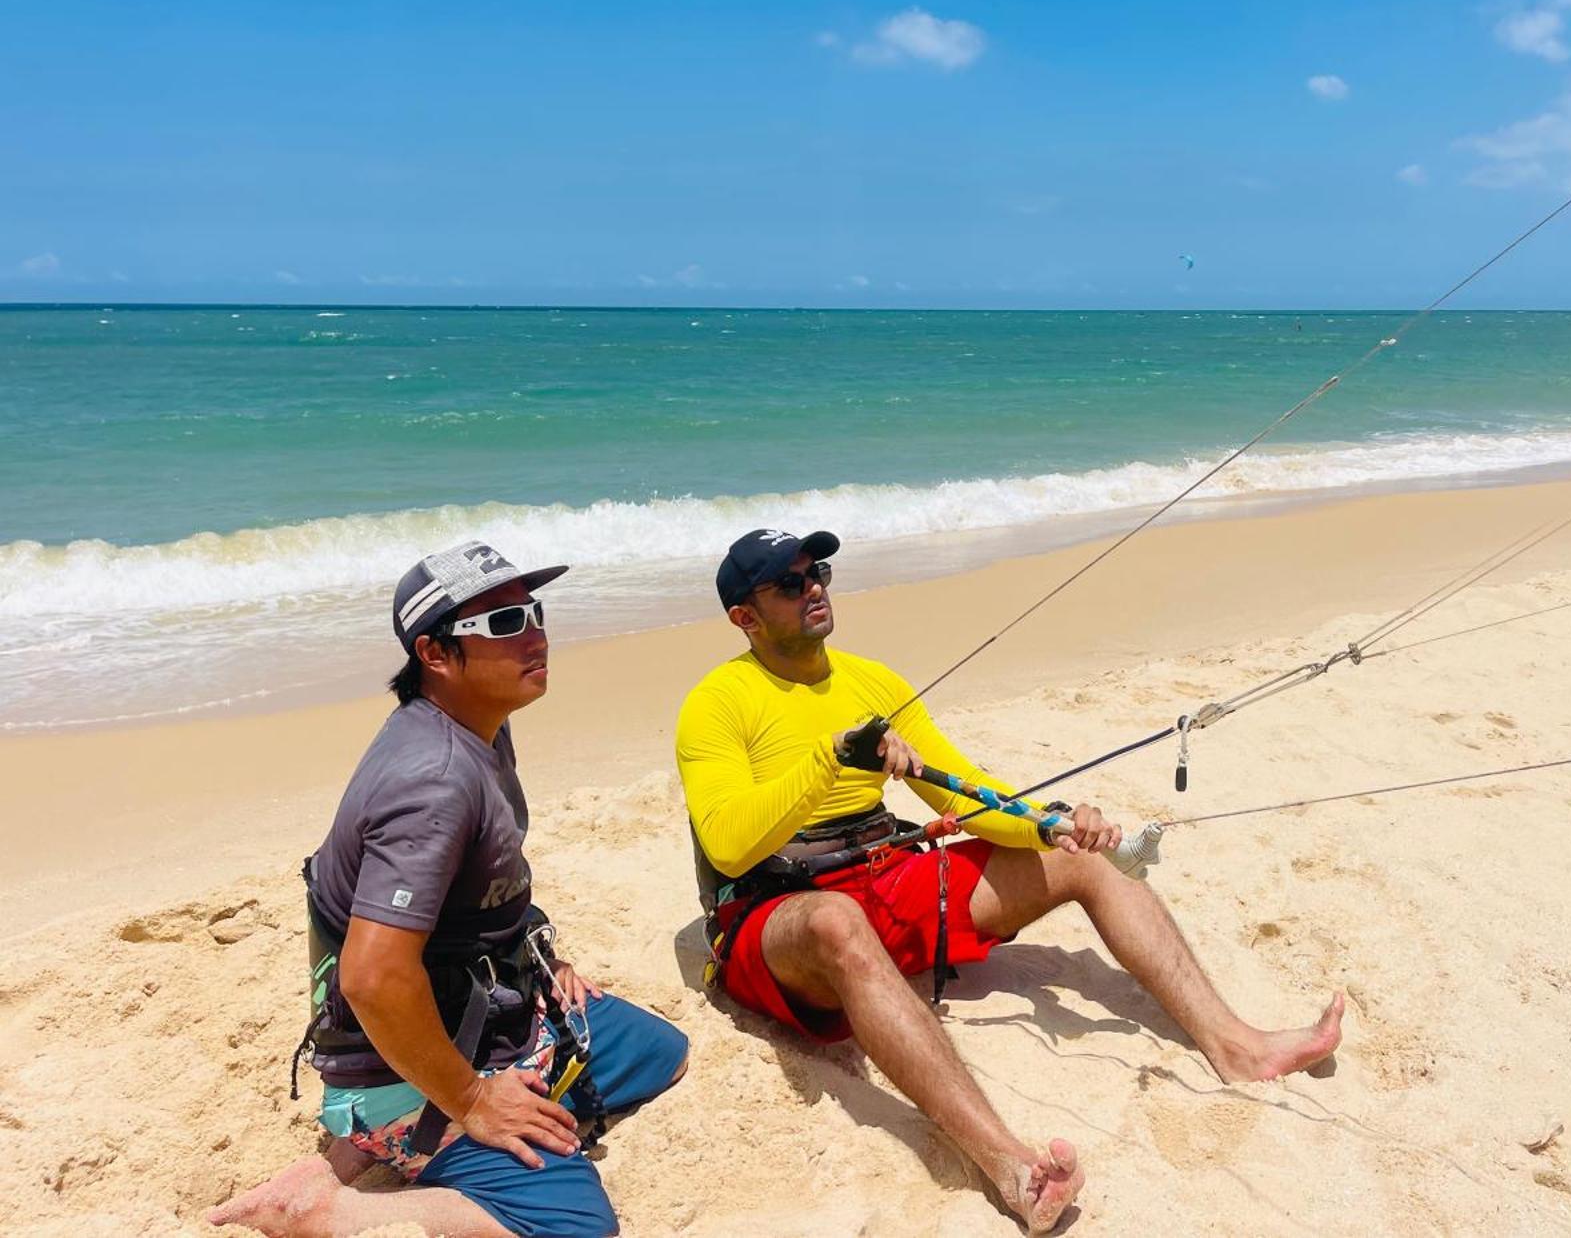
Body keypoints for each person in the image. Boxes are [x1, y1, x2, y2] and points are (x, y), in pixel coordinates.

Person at [676, 528, 1344, 1234]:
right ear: (743, 616)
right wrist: (833, 754)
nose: (814, 587)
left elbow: (964, 796)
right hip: (776, 918)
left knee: (1080, 859)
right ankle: (1011, 1168)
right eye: (790, 583)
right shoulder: (715, 703)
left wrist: (1048, 825)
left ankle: (1236, 1043)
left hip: (881, 877)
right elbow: (728, 841)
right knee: (837, 921)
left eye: (821, 572)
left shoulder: (874, 680)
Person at [210, 540, 689, 1238]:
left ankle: (380, 1152)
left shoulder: (478, 728)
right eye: (500, 624)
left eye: (532, 611)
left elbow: (474, 894)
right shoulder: (432, 779)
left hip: (490, 1010)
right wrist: (471, 1100)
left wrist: (540, 953)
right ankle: (332, 1205)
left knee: (661, 1056)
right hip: (413, 1060)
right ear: (435, 655)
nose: (534, 634)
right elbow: (372, 977)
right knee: (576, 1231)